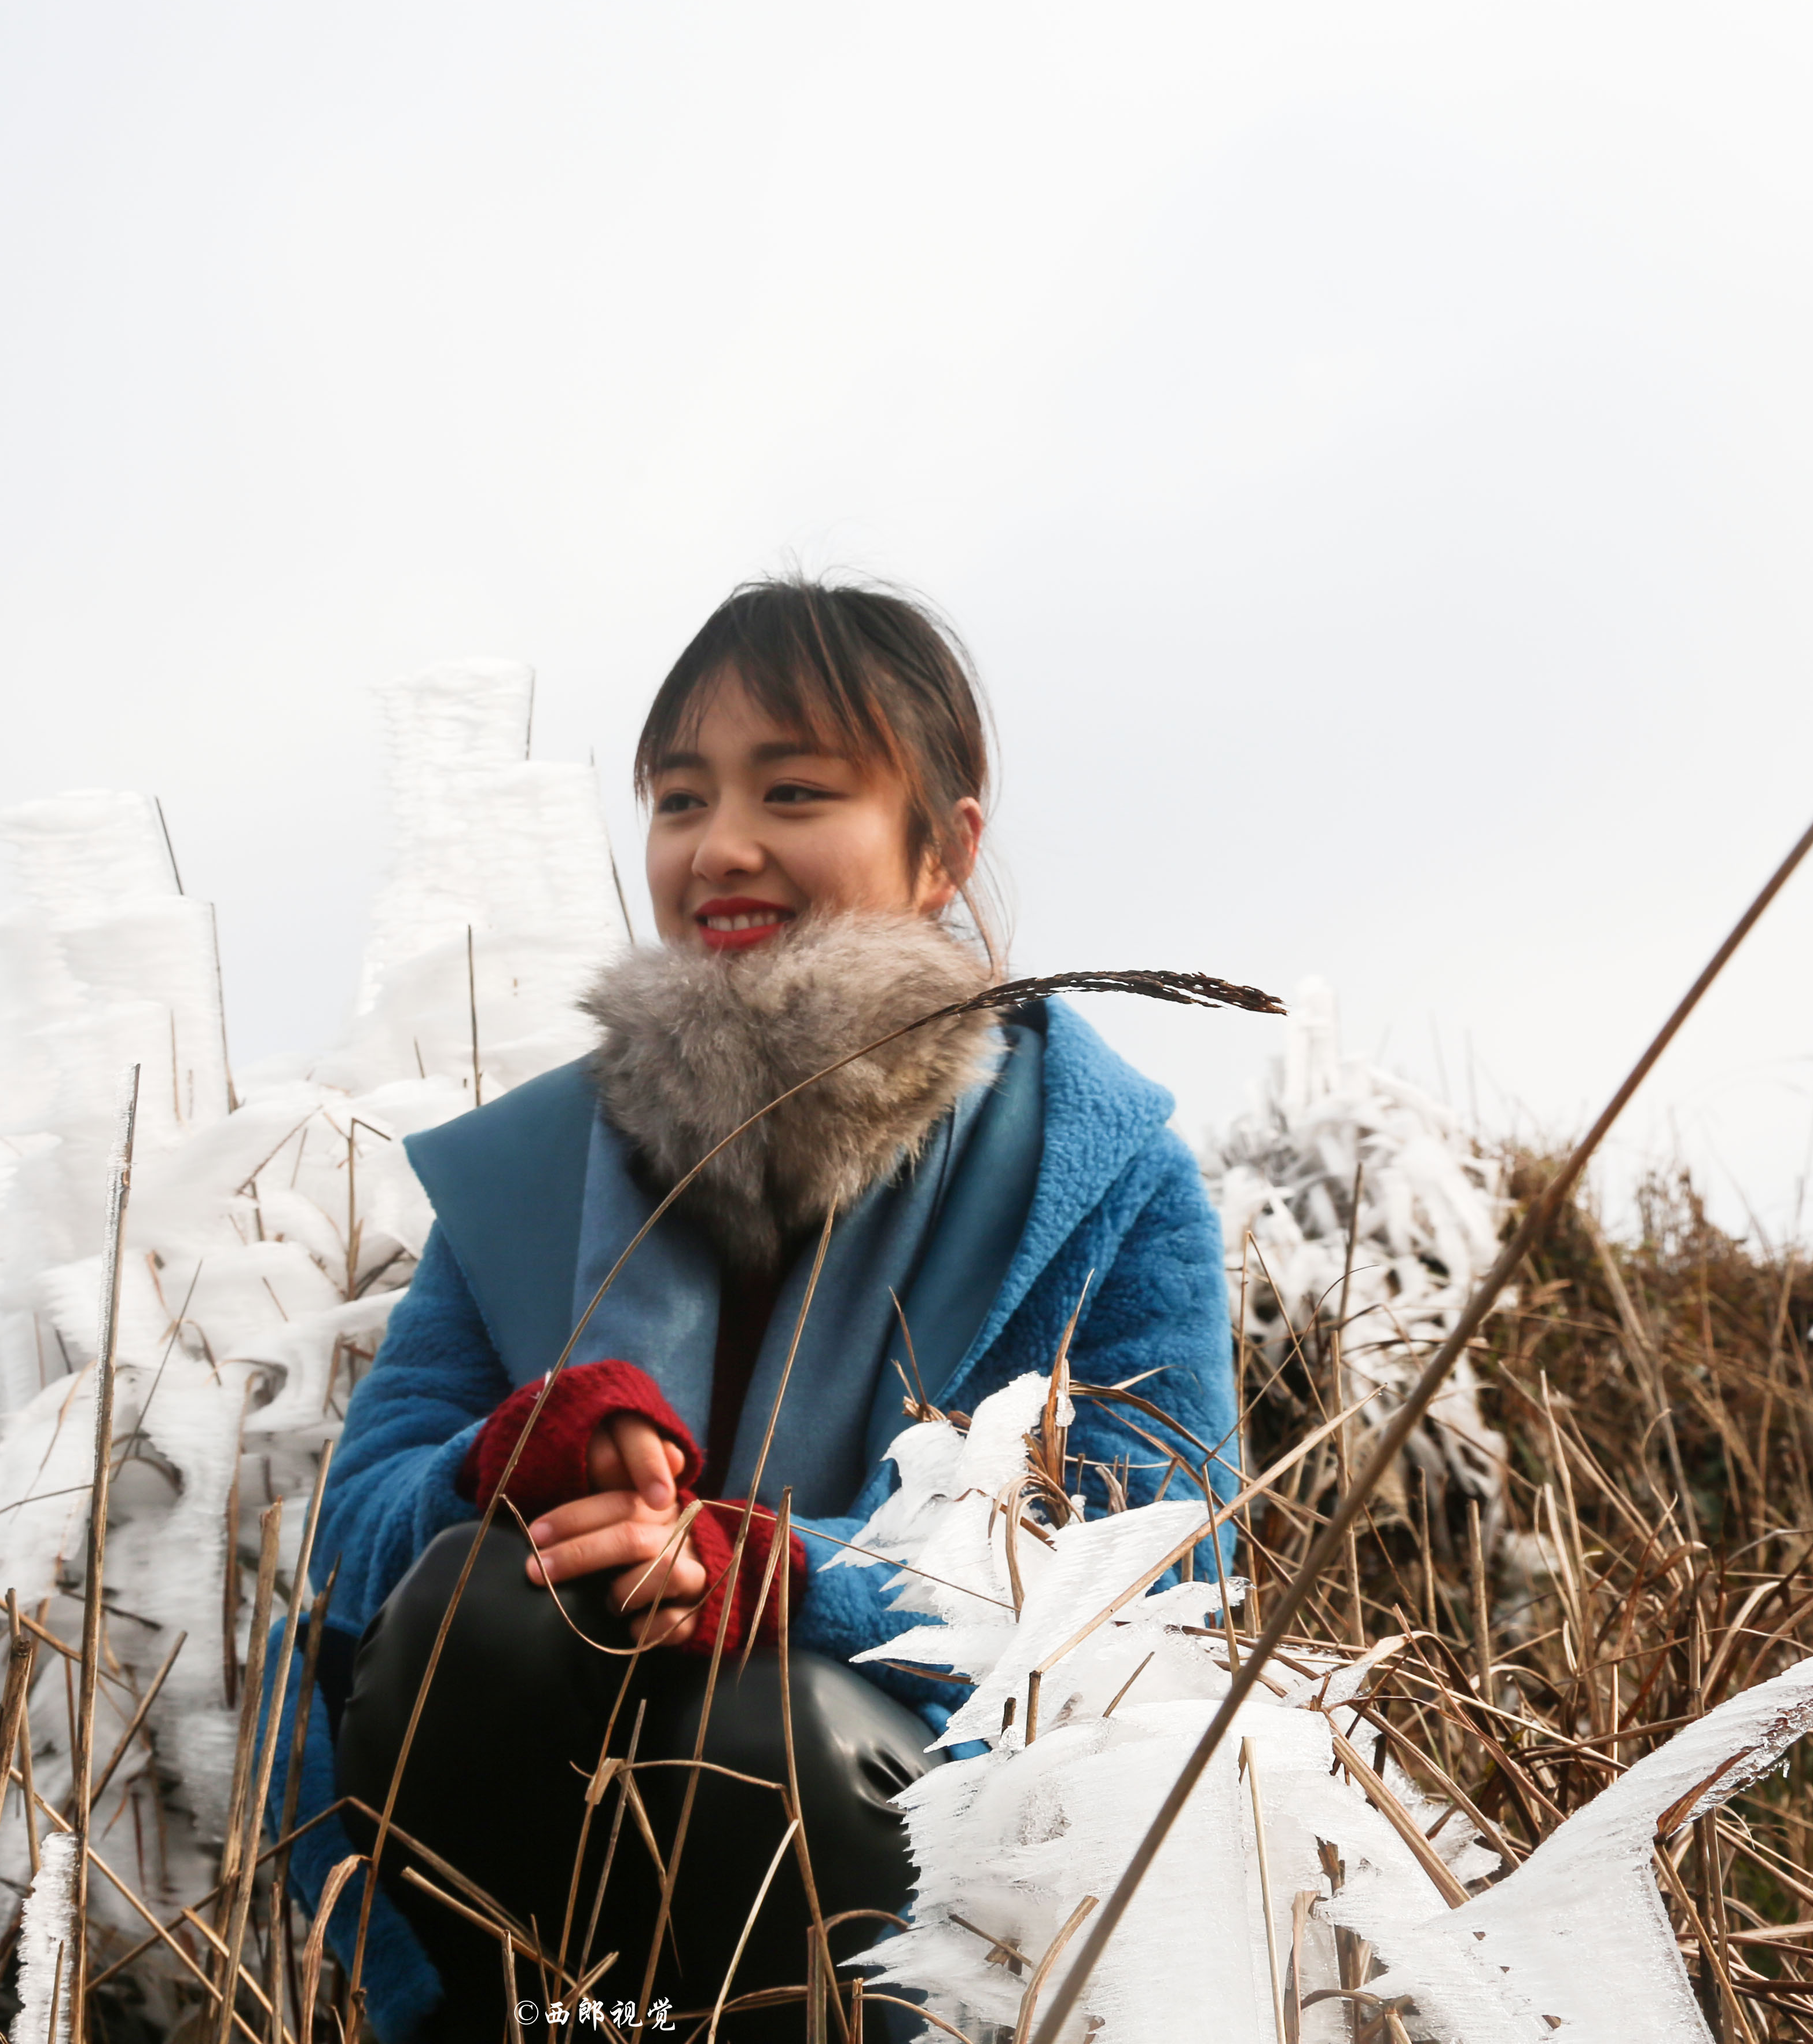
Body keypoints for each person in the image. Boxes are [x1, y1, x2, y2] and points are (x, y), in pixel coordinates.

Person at [287, 578, 1241, 2044]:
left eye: (793, 790)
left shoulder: (1095, 1168)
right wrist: (509, 1465)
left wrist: (782, 1577)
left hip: (898, 1855)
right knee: (479, 1615)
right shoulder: (534, 1173)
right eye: (679, 799)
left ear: (945, 845)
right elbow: (357, 1540)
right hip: (531, 1868)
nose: (720, 847)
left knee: (766, 1738)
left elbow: (1156, 1553)